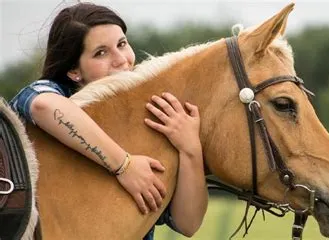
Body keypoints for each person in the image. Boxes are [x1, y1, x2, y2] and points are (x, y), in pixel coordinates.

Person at [9, 2, 208, 239]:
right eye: (101, 53)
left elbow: (188, 223)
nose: (121, 60)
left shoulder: (148, 117)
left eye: (122, 44)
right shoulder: (53, 93)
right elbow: (44, 106)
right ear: (74, 71)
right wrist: (124, 166)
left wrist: (191, 150)